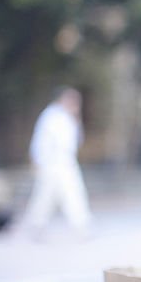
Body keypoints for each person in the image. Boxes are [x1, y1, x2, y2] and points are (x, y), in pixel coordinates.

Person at [23, 86, 92, 239]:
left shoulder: (68, 117)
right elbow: (41, 141)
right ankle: (37, 225)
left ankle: (81, 226)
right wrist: (37, 161)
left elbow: (77, 141)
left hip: (65, 163)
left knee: (71, 194)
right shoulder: (52, 116)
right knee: (46, 196)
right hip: (51, 163)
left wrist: (76, 117)